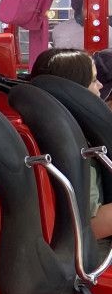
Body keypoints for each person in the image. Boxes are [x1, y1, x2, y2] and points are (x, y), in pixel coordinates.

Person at [29, 48, 112, 251]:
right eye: (93, 80)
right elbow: (91, 225)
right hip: (95, 252)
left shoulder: (46, 128)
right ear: (75, 92)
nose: (100, 86)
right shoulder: (77, 145)